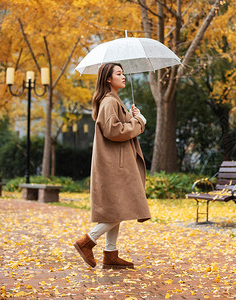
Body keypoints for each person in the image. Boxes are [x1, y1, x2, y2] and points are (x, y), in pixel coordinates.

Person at [73, 62, 150, 269]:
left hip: (117, 163)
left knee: (117, 208)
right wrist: (139, 122)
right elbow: (113, 131)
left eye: (123, 73)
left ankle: (110, 253)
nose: (123, 76)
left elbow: (117, 126)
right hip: (116, 165)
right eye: (119, 73)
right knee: (122, 208)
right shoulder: (109, 102)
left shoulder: (114, 101)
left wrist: (133, 116)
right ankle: (87, 242)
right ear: (108, 79)